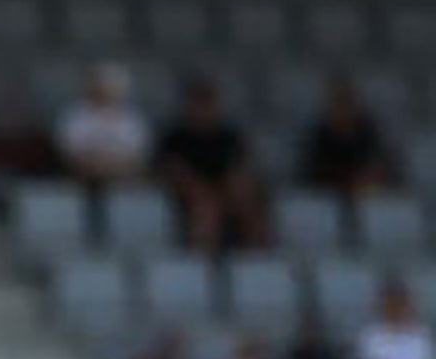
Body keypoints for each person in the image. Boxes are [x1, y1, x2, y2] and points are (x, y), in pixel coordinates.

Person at [153, 76, 269, 256]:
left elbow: (238, 168)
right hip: (188, 194)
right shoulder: (175, 137)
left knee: (250, 203)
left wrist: (231, 189)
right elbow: (172, 170)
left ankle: (256, 262)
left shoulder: (229, 136)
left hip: (223, 190)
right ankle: (204, 263)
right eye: (198, 103)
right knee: (206, 209)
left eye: (207, 103)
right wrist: (200, 191)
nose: (203, 109)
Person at [296, 76, 400, 216]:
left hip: (366, 198)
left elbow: (382, 165)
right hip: (327, 202)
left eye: (346, 100)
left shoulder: (368, 130)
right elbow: (310, 175)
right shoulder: (318, 134)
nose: (342, 106)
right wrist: (344, 183)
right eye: (338, 101)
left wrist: (366, 179)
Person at [54, 61, 151, 194]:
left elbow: (136, 156)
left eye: (111, 86)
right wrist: (96, 167)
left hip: (124, 178)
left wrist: (110, 168)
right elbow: (70, 154)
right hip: (82, 177)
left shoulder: (132, 118)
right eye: (101, 85)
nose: (105, 90)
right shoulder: (75, 115)